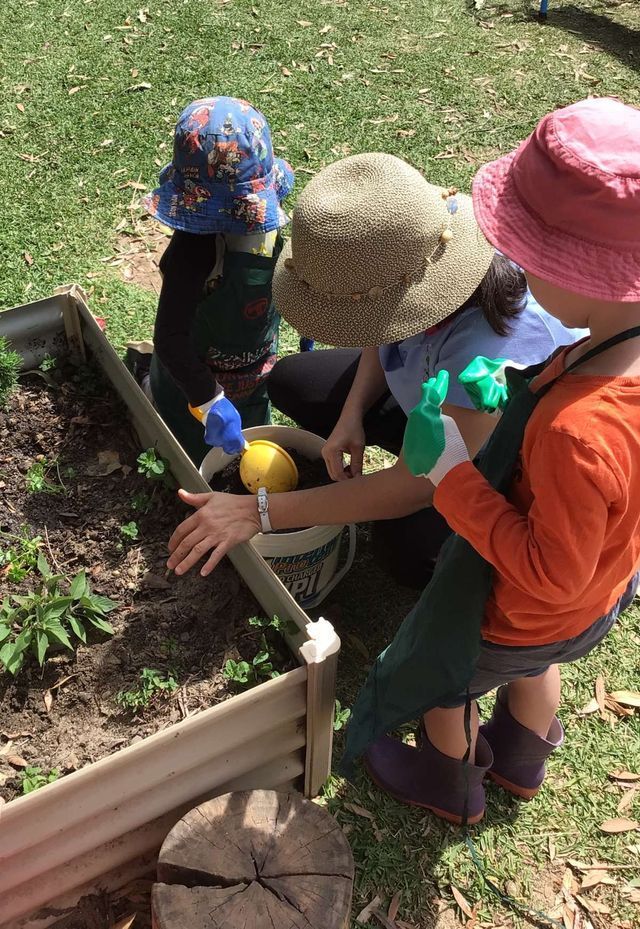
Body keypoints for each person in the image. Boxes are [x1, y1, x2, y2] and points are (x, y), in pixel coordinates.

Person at [345, 96, 640, 824]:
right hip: (604, 591)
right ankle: (522, 757)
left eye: (535, 259)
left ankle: (446, 780)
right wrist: (511, 392)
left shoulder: (579, 431)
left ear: (591, 276)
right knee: (539, 667)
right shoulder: (616, 350)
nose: (518, 270)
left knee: (447, 683)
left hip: (522, 612)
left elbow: (544, 569)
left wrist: (450, 474)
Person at [166, 153, 583, 586]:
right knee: (294, 382)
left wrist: (258, 512)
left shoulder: (486, 359)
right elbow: (382, 326)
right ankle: (399, 438)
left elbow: (414, 487)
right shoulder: (413, 252)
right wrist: (352, 414)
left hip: (492, 452)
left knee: (408, 550)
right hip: (430, 400)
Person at [129, 96, 294, 465]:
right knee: (183, 456)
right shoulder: (193, 252)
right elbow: (170, 340)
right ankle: (147, 389)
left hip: (254, 372)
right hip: (193, 382)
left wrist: (304, 319)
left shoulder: (270, 225)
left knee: (252, 448)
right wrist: (208, 400)